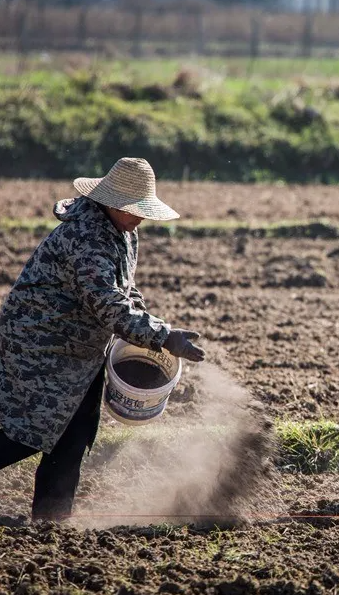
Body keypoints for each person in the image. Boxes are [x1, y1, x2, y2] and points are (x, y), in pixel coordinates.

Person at [0, 157, 206, 521]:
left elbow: (123, 290)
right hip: (41, 347)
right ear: (110, 202)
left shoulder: (122, 231)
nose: (140, 217)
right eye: (134, 209)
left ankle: (51, 523)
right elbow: (106, 302)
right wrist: (162, 335)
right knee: (23, 432)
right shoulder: (86, 236)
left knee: (74, 435)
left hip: (79, 350)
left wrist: (153, 327)